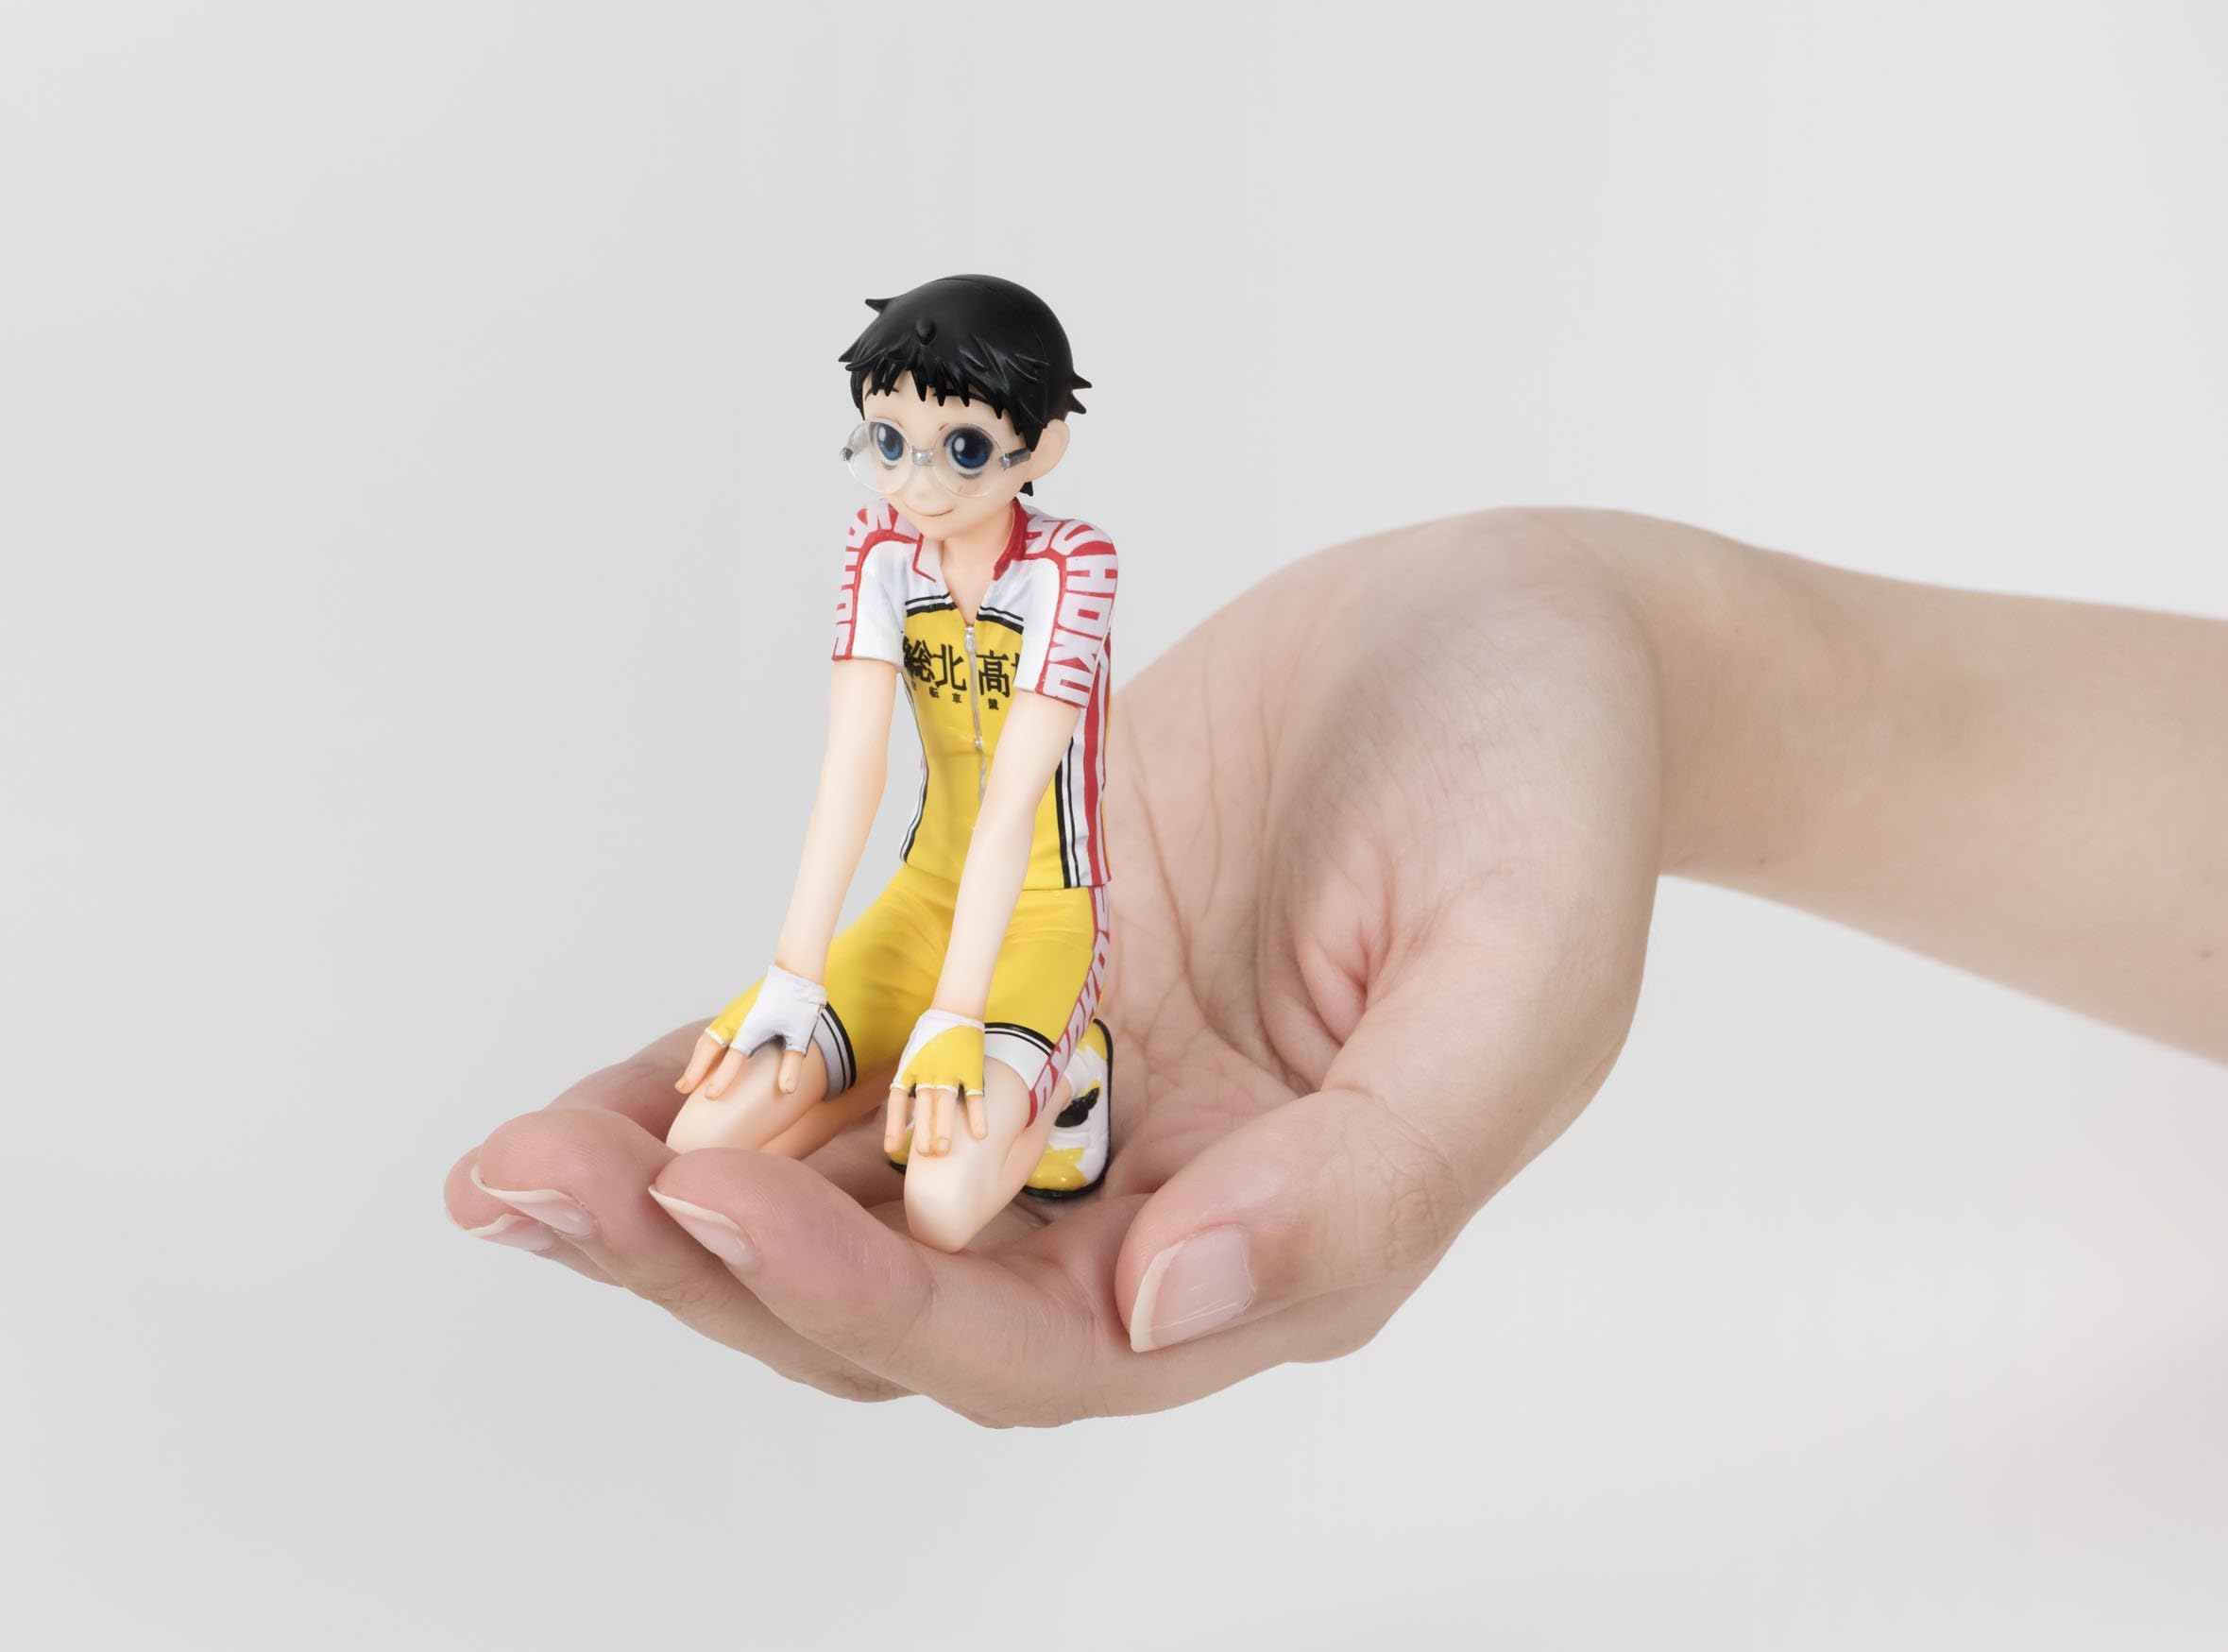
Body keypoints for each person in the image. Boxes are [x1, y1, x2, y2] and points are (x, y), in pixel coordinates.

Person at [448, 506, 2226, 1424]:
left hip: (1038, 921)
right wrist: (1639, 644)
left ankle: (1057, 1092)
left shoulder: (1065, 582)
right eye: (893, 440)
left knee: (936, 1193)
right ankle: (1025, 1090)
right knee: (721, 1135)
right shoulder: (884, 570)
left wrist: (979, 1008)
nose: (920, 478)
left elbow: (1023, 822)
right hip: (920, 903)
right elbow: (866, 776)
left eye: (962, 445)